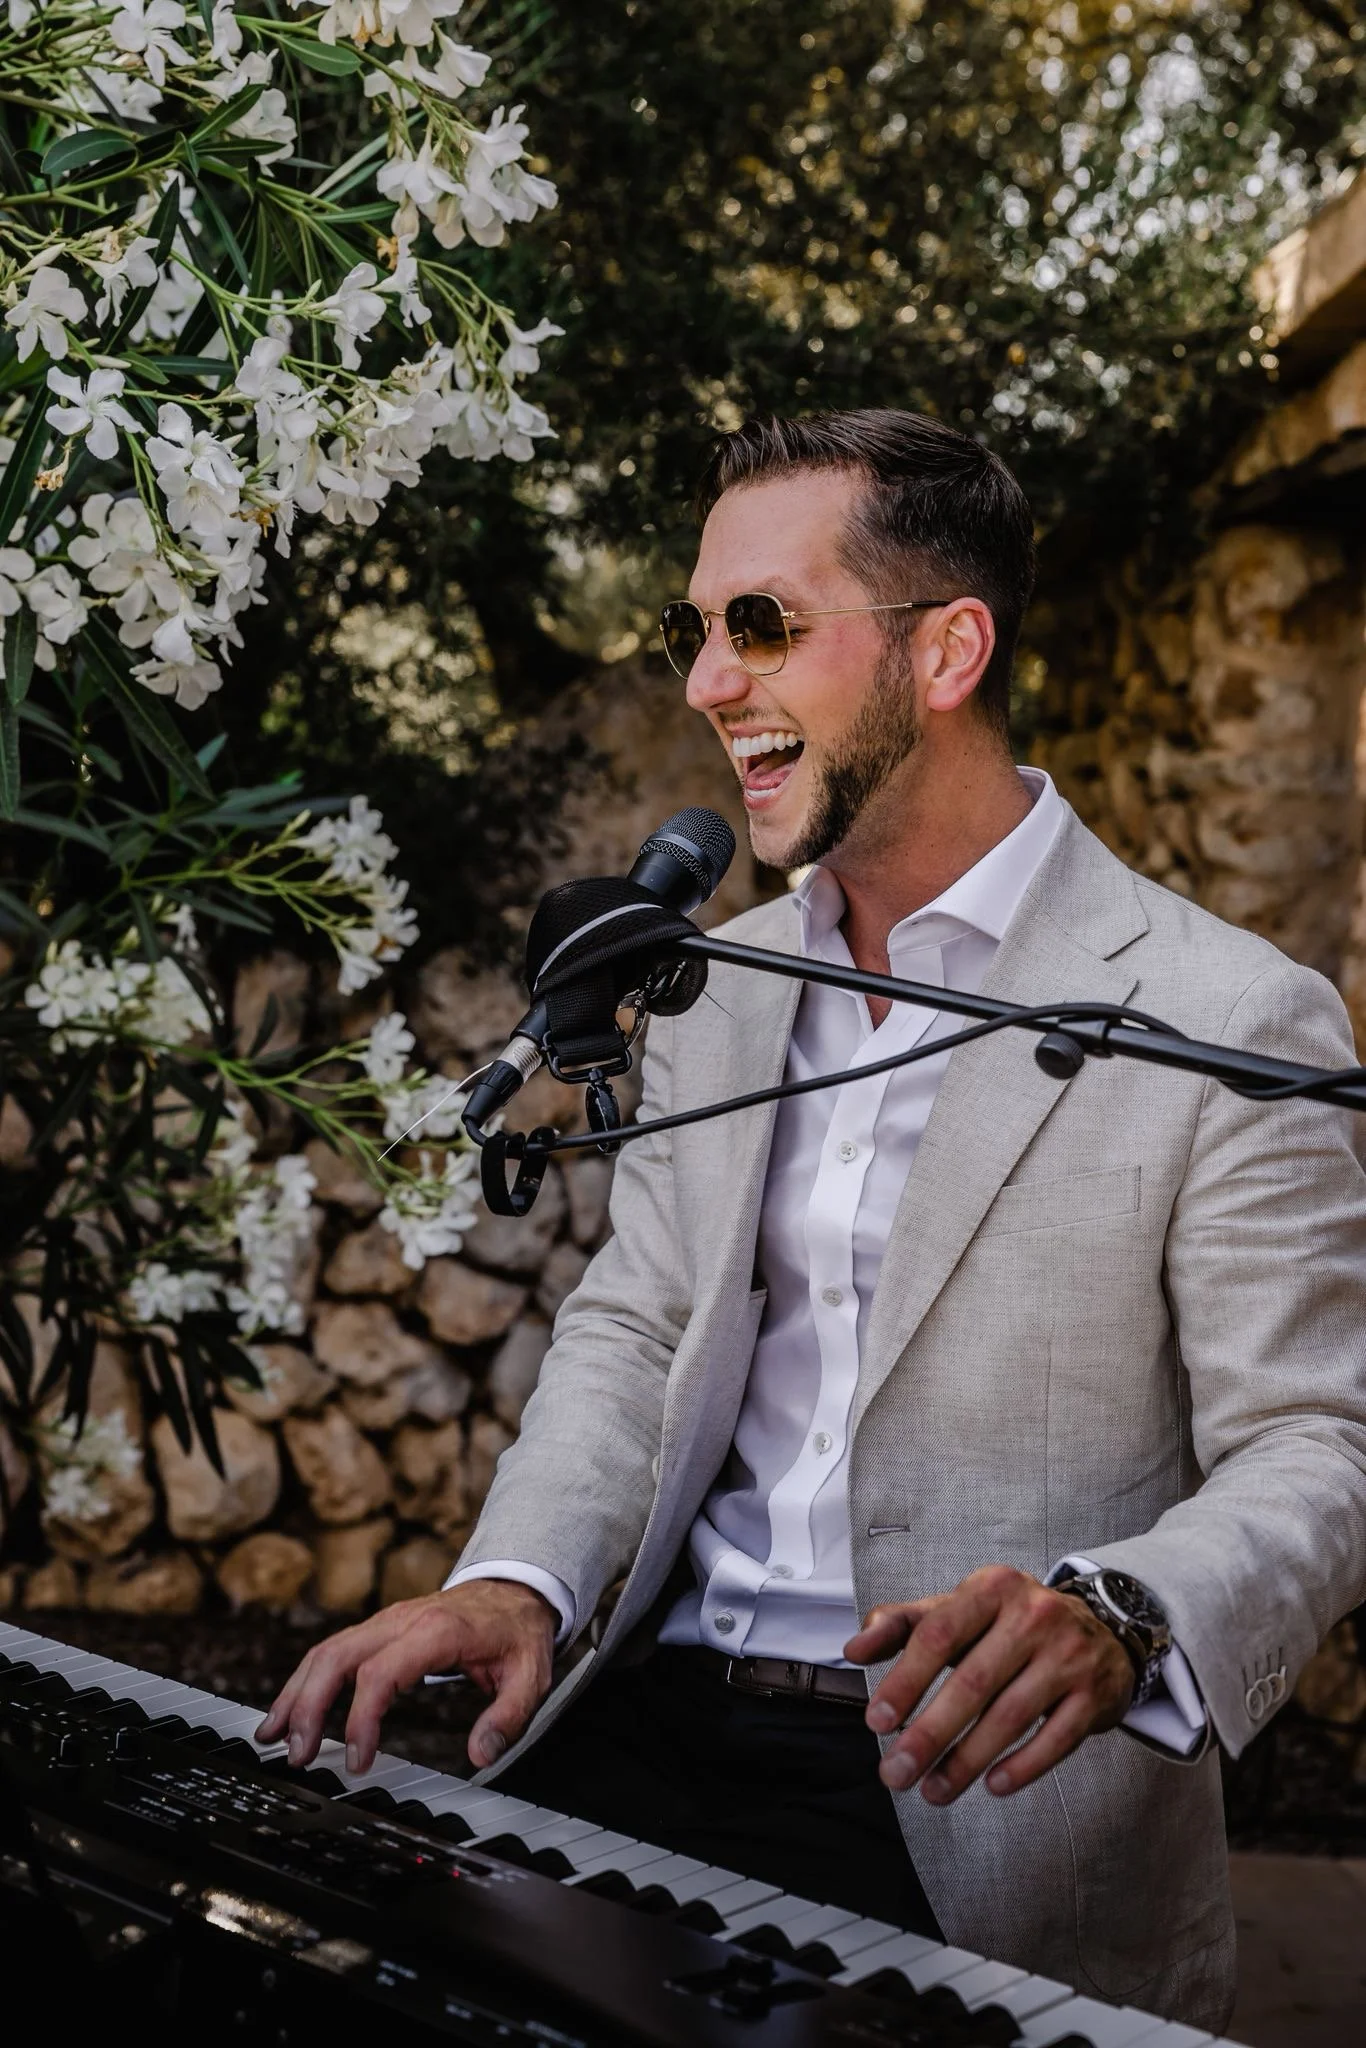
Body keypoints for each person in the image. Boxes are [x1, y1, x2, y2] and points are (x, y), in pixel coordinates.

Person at [260, 410, 1366, 2029]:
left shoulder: (1227, 1013)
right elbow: (639, 1325)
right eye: (695, 630)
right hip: (639, 1720)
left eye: (764, 625)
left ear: (947, 651)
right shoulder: (710, 986)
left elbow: (1317, 1445)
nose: (708, 683)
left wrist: (1121, 1617)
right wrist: (518, 1583)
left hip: (969, 1798)